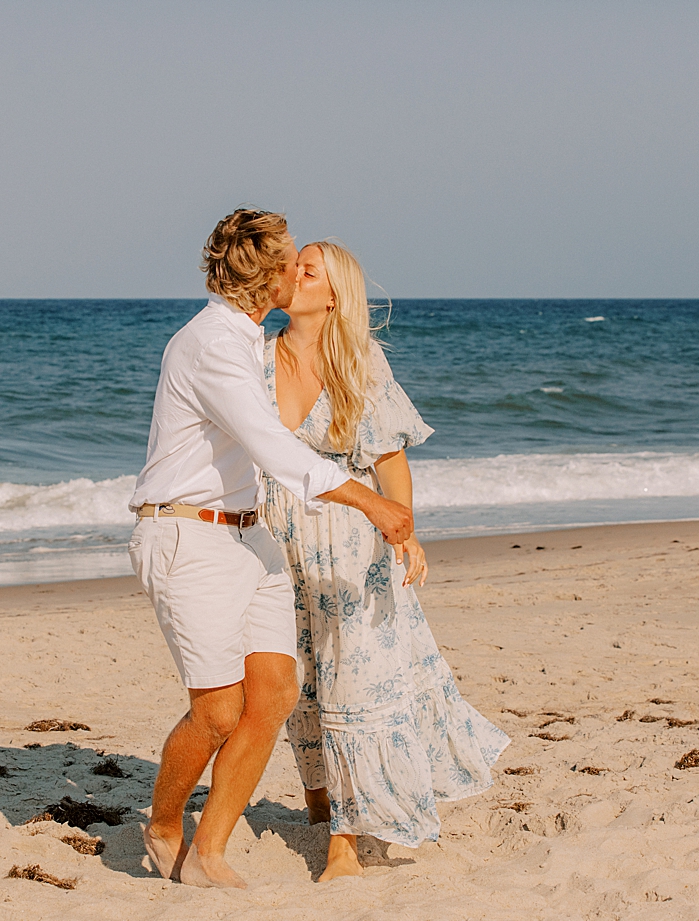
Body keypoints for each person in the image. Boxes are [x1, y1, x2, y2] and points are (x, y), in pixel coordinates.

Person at [126, 210, 417, 888]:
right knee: (219, 710)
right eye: (290, 259)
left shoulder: (251, 338)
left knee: (277, 692)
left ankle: (211, 849)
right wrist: (370, 500)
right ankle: (165, 821)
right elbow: (275, 447)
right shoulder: (213, 347)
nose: (298, 265)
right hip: (187, 533)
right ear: (267, 277)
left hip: (250, 534)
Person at [258, 241, 508, 882]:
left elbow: (391, 462)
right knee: (298, 675)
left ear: (333, 294)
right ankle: (318, 799)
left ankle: (345, 839)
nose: (292, 274)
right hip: (274, 541)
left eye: (307, 269)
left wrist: (408, 535)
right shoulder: (253, 356)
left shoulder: (360, 364)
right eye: (292, 265)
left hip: (349, 544)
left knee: (351, 684)